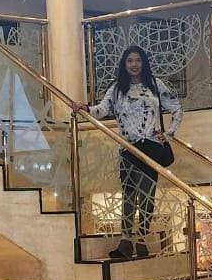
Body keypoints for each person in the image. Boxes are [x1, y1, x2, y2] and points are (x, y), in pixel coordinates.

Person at [74, 45, 183, 260]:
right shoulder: (117, 88)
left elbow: (177, 108)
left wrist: (169, 134)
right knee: (129, 195)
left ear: (144, 63)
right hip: (128, 147)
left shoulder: (154, 85)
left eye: (138, 60)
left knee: (147, 194)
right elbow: (102, 110)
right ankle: (125, 241)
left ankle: (141, 239)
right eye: (130, 61)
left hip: (151, 147)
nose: (134, 64)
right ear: (124, 64)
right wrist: (85, 108)